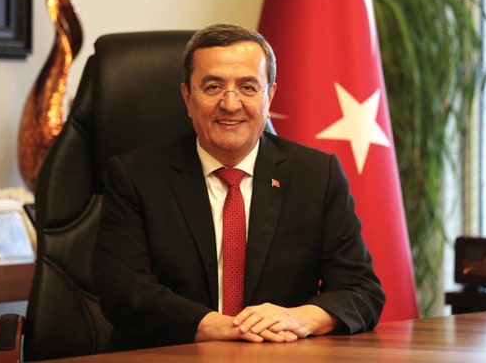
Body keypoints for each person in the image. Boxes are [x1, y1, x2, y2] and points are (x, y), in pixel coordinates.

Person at [92, 23, 385, 351]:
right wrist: (221, 327)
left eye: (248, 87)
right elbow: (123, 291)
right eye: (213, 87)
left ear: (269, 96)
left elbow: (361, 290)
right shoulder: (135, 177)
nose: (230, 104)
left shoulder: (317, 175)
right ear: (188, 97)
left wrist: (300, 318)